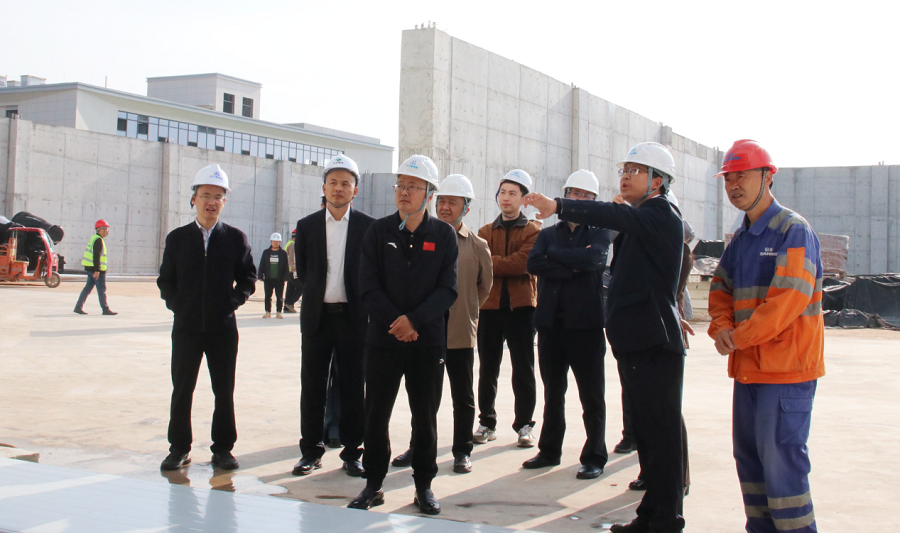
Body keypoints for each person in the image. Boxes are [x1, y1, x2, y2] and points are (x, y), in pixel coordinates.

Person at [524, 142, 687, 533]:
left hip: (653, 340)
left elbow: (610, 219)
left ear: (658, 181)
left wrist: (559, 205)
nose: (625, 176)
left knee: (660, 435)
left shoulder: (661, 213)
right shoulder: (640, 218)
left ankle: (666, 519)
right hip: (636, 340)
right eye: (623, 169)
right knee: (648, 434)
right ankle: (651, 515)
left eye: (635, 170)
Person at [708, 140, 824, 533]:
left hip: (785, 374)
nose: (734, 185)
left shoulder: (793, 230)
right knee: (751, 465)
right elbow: (720, 289)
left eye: (742, 175)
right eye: (728, 178)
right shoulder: (741, 239)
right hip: (749, 372)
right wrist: (721, 328)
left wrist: (737, 337)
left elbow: (788, 299)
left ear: (768, 176)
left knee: (783, 469)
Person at [348, 154, 458, 515]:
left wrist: (414, 322)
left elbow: (447, 290)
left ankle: (424, 486)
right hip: (383, 341)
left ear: (429, 194)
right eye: (401, 185)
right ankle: (374, 484)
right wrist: (397, 323)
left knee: (424, 417)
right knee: (375, 415)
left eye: (413, 186)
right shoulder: (378, 232)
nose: (404, 192)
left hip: (427, 343)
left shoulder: (443, 235)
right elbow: (368, 286)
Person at [157, 163, 257, 472]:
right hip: (186, 328)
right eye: (205, 195)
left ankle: (223, 449)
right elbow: (165, 280)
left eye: (217, 196)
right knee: (182, 389)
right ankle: (179, 448)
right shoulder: (177, 239)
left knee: (223, 391)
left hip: (222, 329)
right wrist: (178, 305)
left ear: (224, 201)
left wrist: (231, 302)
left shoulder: (235, 238)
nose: (211, 202)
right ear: (194, 199)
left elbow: (248, 277)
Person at [391, 173, 492, 474]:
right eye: (442, 201)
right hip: (427, 332)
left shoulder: (478, 245)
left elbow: (484, 287)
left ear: (466, 207)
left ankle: (462, 450)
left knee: (463, 396)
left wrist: (466, 311)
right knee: (424, 398)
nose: (445, 207)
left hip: (460, 332)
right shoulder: (424, 237)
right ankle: (418, 447)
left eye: (453, 202)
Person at [523, 170, 611, 480]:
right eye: (576, 193)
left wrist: (557, 258)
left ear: (594, 201)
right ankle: (549, 451)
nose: (580, 199)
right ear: (565, 195)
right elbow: (534, 263)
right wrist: (573, 265)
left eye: (587, 196)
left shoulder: (600, 231)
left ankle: (594, 456)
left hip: (586, 326)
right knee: (553, 393)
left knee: (592, 396)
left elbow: (595, 261)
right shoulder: (547, 233)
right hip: (551, 325)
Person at [292, 155, 375, 478]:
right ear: (324, 187)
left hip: (354, 319)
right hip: (318, 318)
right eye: (333, 183)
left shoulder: (368, 227)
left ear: (355, 190)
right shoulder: (307, 226)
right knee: (312, 386)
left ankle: (353, 453)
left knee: (354, 386)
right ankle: (310, 451)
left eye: (345, 183)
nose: (338, 188)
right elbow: (304, 272)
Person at [474, 169, 540, 447]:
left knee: (523, 369)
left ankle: (524, 425)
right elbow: (480, 266)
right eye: (502, 192)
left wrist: (495, 262)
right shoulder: (484, 232)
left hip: (522, 309)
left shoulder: (534, 231)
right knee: (487, 369)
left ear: (524, 199)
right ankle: (486, 423)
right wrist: (504, 263)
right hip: (489, 307)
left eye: (513, 193)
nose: (506, 198)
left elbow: (524, 263)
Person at [74, 219, 117, 316]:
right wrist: (97, 270)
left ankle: (78, 307)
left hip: (91, 269)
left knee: (87, 289)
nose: (108, 231)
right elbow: (96, 256)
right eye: (106, 229)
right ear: (100, 229)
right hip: (97, 271)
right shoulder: (98, 240)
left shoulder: (94, 238)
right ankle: (105, 309)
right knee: (101, 290)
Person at [258, 233, 288, 319]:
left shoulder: (283, 253)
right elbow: (262, 264)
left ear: (280, 242)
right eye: (274, 241)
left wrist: (286, 277)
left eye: (277, 241)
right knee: (268, 296)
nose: (275, 243)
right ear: (271, 241)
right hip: (268, 278)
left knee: (279, 297)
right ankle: (268, 312)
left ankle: (278, 312)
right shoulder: (266, 252)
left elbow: (286, 266)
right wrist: (260, 275)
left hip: (279, 279)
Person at [283, 229, 301, 313]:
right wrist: (294, 270)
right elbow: (292, 259)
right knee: (301, 287)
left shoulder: (289, 243)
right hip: (292, 270)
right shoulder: (293, 245)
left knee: (290, 288)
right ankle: (289, 303)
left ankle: (287, 307)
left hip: (288, 270)